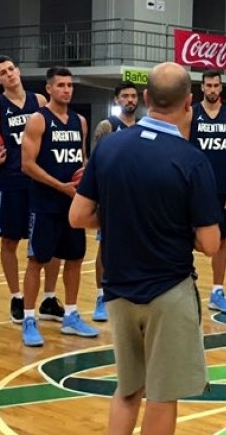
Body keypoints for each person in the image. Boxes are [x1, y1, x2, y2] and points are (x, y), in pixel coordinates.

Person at [69, 61, 220, 435]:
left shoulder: (108, 148)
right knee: (162, 395)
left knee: (127, 388)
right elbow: (211, 244)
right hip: (167, 290)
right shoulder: (192, 160)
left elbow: (77, 215)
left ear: (147, 98)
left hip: (117, 290)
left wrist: (121, 217)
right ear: (190, 102)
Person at [0, 56, 63, 325]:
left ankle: (48, 297)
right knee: (9, 242)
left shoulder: (41, 102)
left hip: (39, 180)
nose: (9, 74)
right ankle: (16, 297)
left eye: (11, 69)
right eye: (3, 72)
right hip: (10, 181)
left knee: (49, 240)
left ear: (18, 71)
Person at [19, 66, 98, 347]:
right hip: (45, 203)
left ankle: (72, 316)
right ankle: (29, 318)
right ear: (49, 89)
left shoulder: (80, 121)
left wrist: (86, 184)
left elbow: (82, 160)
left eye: (70, 85)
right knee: (37, 261)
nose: (66, 89)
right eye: (61, 85)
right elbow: (27, 164)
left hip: (73, 204)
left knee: (75, 259)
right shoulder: (38, 120)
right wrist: (60, 186)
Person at [189, 69, 226, 314]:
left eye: (216, 85)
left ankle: (217, 292)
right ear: (202, 87)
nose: (212, 89)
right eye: (208, 85)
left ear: (221, 88)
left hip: (221, 189)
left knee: (221, 241)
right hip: (194, 189)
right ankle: (185, 287)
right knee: (184, 239)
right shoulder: (190, 114)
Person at [90, 80, 139, 322]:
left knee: (136, 246)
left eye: (133, 96)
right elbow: (96, 163)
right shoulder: (107, 126)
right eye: (125, 96)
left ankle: (130, 291)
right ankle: (101, 296)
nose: (130, 100)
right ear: (117, 100)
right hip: (111, 195)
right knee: (105, 246)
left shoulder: (144, 126)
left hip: (138, 197)